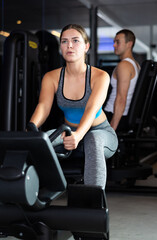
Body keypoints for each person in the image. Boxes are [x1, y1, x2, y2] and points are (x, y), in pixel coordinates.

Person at [27, 24, 118, 189]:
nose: (69, 45)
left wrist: (79, 135)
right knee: (40, 142)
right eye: (64, 41)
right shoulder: (52, 77)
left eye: (75, 41)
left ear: (86, 47)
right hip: (68, 133)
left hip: (101, 133)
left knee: (93, 139)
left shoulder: (100, 76)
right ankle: (33, 194)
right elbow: (43, 106)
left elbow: (91, 109)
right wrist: (31, 129)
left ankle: (94, 201)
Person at [104, 29, 141, 132]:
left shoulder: (124, 66)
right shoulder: (136, 65)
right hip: (122, 116)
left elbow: (121, 99)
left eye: (118, 42)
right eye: (114, 42)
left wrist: (112, 129)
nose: (114, 45)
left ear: (129, 44)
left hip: (113, 116)